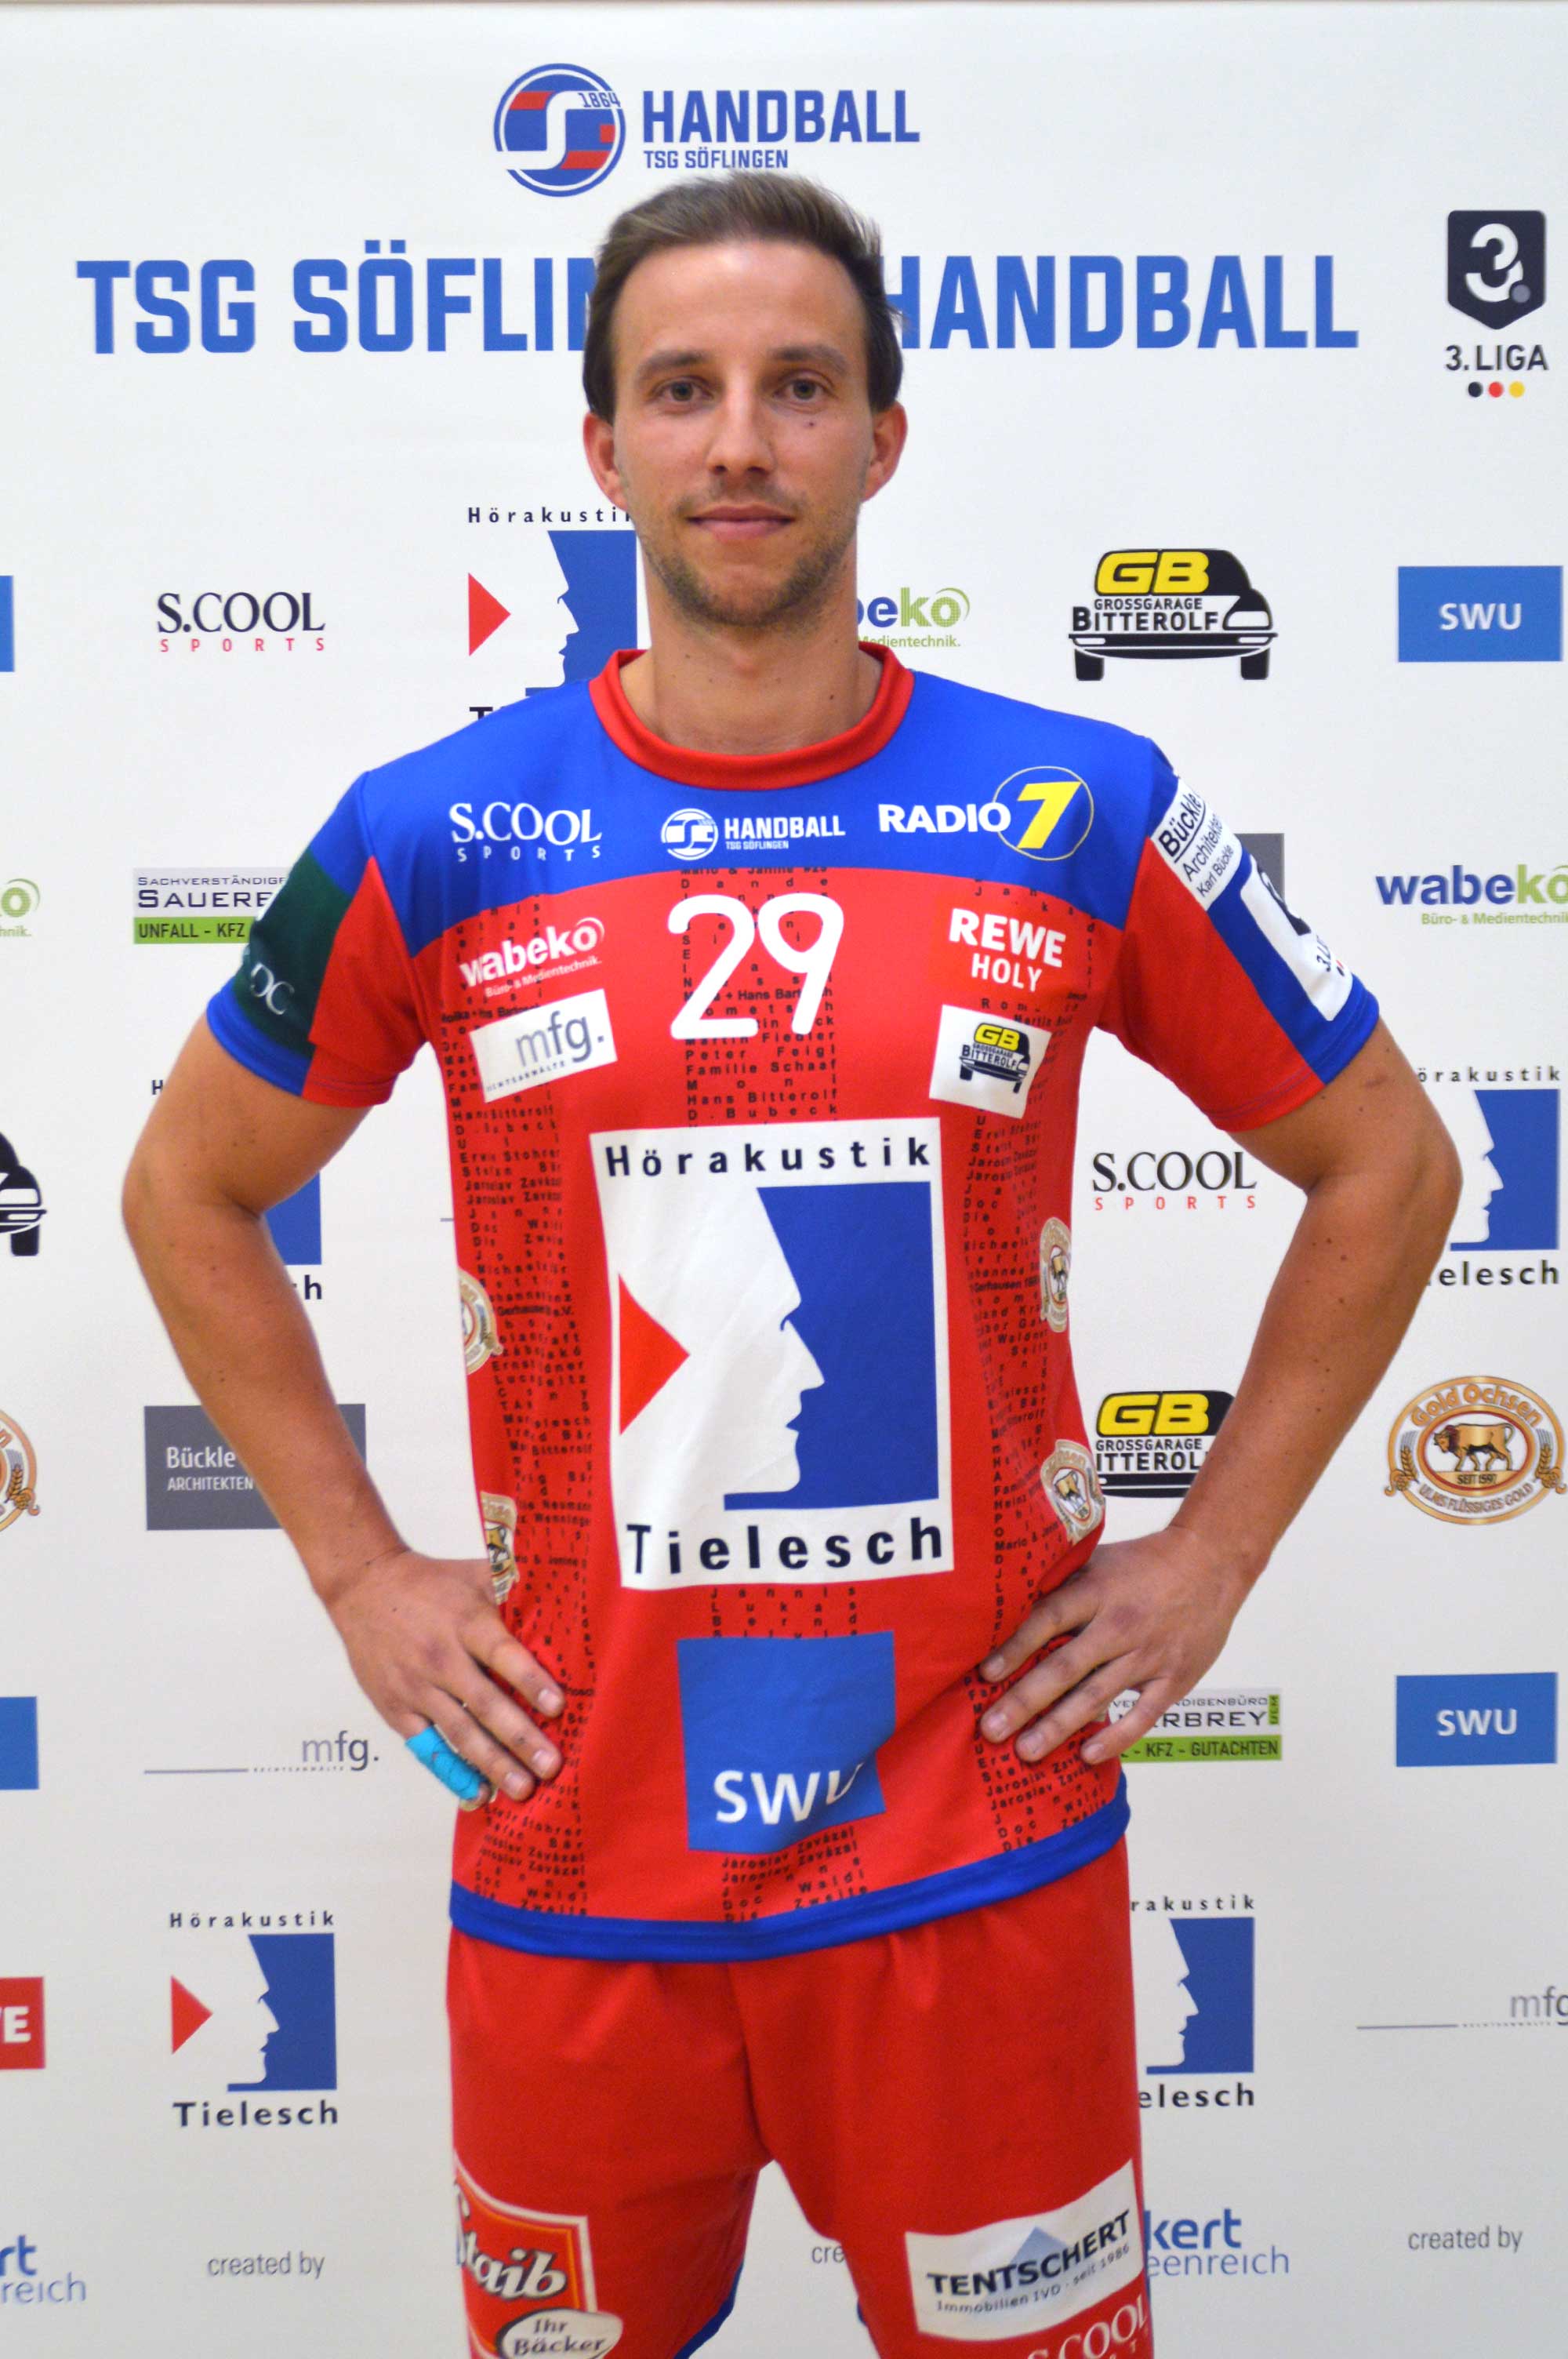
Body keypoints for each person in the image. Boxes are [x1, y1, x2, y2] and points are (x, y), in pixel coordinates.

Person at [124, 172, 1460, 2359]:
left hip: (973, 1846)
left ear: (882, 439)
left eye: (799, 386)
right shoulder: (435, 830)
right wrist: (361, 1573)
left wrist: (1213, 1553)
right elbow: (187, 1189)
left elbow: (1388, 1161)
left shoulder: (1077, 803)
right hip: (576, 1846)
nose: (740, 441)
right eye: (684, 389)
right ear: (603, 450)